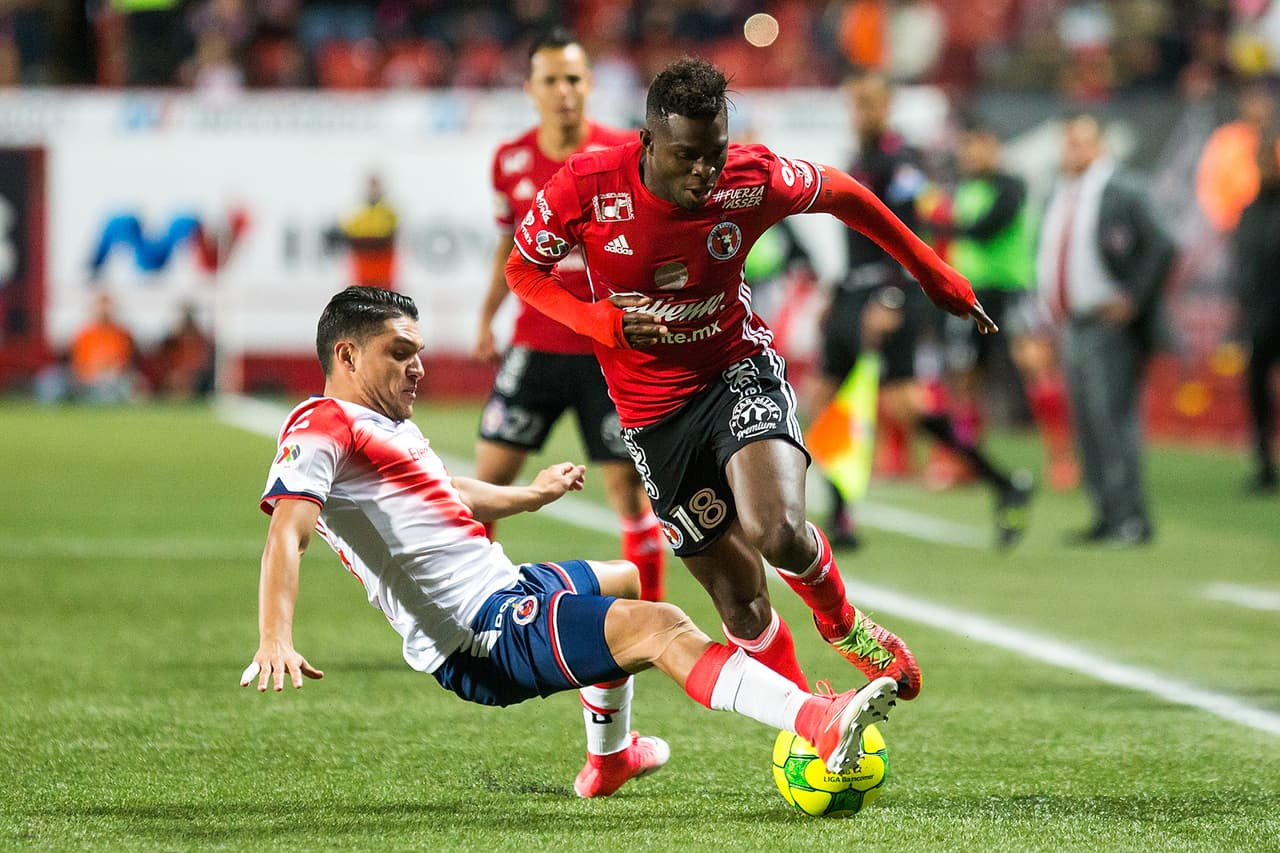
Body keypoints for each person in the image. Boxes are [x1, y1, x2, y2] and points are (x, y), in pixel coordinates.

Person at [240, 285, 900, 798]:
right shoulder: (322, 421)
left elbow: (442, 490)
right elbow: (288, 529)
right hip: (480, 634)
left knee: (624, 579)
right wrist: (275, 636)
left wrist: (530, 494)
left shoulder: (379, 423)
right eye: (398, 353)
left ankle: (608, 760)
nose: (416, 367)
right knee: (662, 627)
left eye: (417, 351)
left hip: (506, 589)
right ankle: (817, 719)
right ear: (346, 355)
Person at [504, 57, 1000, 700]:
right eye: (687, 156)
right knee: (740, 604)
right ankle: (810, 722)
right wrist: (600, 323)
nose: (704, 172)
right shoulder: (589, 184)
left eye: (714, 153)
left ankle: (842, 624)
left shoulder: (749, 175)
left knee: (778, 531)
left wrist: (936, 275)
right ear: (649, 141)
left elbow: (845, 193)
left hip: (736, 370)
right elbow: (524, 271)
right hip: (652, 413)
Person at [474, 28, 666, 601]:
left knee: (630, 493)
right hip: (534, 343)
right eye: (551, 80)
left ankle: (651, 618)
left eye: (574, 79)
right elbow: (509, 244)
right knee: (486, 485)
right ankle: (470, 609)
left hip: (607, 351)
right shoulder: (510, 161)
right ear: (531, 88)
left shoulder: (622, 155)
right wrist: (487, 316)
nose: (564, 91)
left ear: (590, 85)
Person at [810, 72, 1032, 549]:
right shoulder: (858, 158)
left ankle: (1002, 482)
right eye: (855, 105)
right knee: (829, 402)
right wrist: (837, 295)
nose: (861, 114)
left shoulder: (902, 162)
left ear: (887, 107)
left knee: (902, 406)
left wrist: (890, 297)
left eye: (869, 105)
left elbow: (909, 233)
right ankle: (841, 519)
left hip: (893, 295)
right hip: (853, 291)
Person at [1036, 114, 1176, 545]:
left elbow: (1164, 244)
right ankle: (1105, 513)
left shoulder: (1121, 189)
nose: (1072, 151)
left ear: (1099, 146)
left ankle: (1130, 517)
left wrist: (1133, 298)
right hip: (1073, 323)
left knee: (1112, 420)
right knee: (1087, 423)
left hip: (1108, 324)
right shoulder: (1063, 190)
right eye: (1068, 143)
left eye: (1081, 143)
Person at [935, 120, 1078, 492]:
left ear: (995, 147)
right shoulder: (960, 189)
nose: (972, 154)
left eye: (979, 145)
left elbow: (987, 228)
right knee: (965, 377)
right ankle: (968, 460)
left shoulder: (1012, 186)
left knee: (1035, 363)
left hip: (1013, 289)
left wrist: (942, 226)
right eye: (966, 147)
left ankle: (1061, 457)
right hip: (970, 293)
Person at [1232, 128, 1280, 495]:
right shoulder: (1249, 211)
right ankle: (1264, 464)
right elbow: (1243, 266)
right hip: (1259, 318)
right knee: (1257, 394)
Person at [340, 173, 398, 289]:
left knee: (384, 290)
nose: (373, 189)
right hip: (363, 257)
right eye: (371, 185)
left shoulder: (389, 209)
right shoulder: (357, 209)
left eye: (375, 185)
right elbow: (349, 231)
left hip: (383, 257)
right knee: (363, 290)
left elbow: (393, 231)